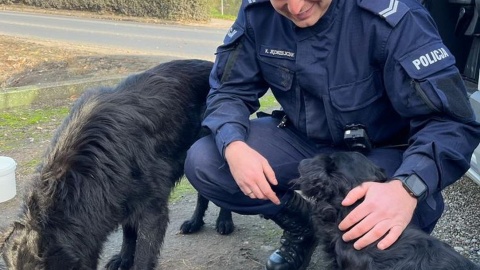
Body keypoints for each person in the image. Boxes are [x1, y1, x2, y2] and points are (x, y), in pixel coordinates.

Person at [184, 0, 480, 269]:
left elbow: (451, 122)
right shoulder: (257, 13)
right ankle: (304, 227)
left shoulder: (394, 18)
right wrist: (233, 145)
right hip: (303, 141)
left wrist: (408, 187)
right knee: (208, 160)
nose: (297, 7)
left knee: (375, 226)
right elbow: (228, 90)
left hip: (379, 155)